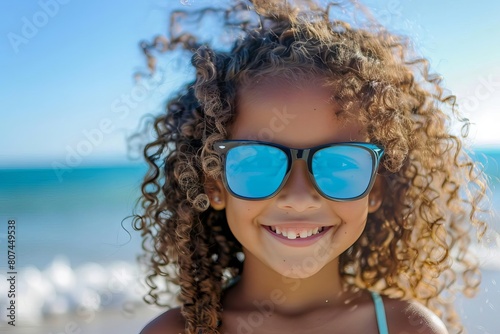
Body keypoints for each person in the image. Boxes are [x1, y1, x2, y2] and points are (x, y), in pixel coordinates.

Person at [132, 1, 490, 333]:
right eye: (257, 162)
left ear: (375, 188)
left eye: (340, 163)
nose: (300, 198)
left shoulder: (409, 329)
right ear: (215, 184)